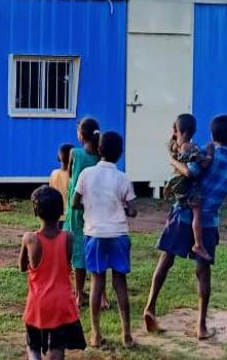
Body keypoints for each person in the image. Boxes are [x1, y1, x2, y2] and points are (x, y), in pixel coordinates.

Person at [144, 115, 227, 340]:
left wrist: (174, 161)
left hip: (182, 215)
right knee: (202, 271)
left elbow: (192, 171)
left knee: (166, 259)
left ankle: (150, 307)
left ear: (211, 135)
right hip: (208, 222)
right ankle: (201, 325)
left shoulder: (206, 154)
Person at [72, 131, 138, 348]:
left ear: (98, 150)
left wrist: (89, 205)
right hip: (118, 234)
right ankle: (126, 334)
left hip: (94, 234)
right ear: (120, 153)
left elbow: (74, 203)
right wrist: (125, 207)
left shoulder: (86, 174)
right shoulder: (123, 178)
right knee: (120, 283)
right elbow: (133, 211)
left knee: (97, 282)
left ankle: (95, 334)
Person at [21, 186, 86, 359]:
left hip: (38, 303)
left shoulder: (30, 239)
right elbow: (66, 261)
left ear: (35, 211)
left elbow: (22, 266)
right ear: (61, 211)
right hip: (62, 302)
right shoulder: (69, 237)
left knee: (33, 346)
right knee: (57, 346)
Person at [63, 117, 108, 309]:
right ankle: (103, 296)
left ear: (81, 135)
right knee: (97, 249)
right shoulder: (101, 157)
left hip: (76, 209)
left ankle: (79, 294)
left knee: (78, 251)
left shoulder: (75, 153)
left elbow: (69, 174)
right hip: (95, 209)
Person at [164, 114, 213, 261]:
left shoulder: (173, 145)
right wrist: (210, 152)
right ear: (192, 131)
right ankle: (198, 244)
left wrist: (173, 161)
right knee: (198, 214)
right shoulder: (189, 147)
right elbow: (199, 166)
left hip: (178, 189)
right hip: (189, 189)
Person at [48, 143, 74, 225]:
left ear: (58, 157)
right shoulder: (74, 175)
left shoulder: (53, 174)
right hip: (71, 216)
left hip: (56, 216)